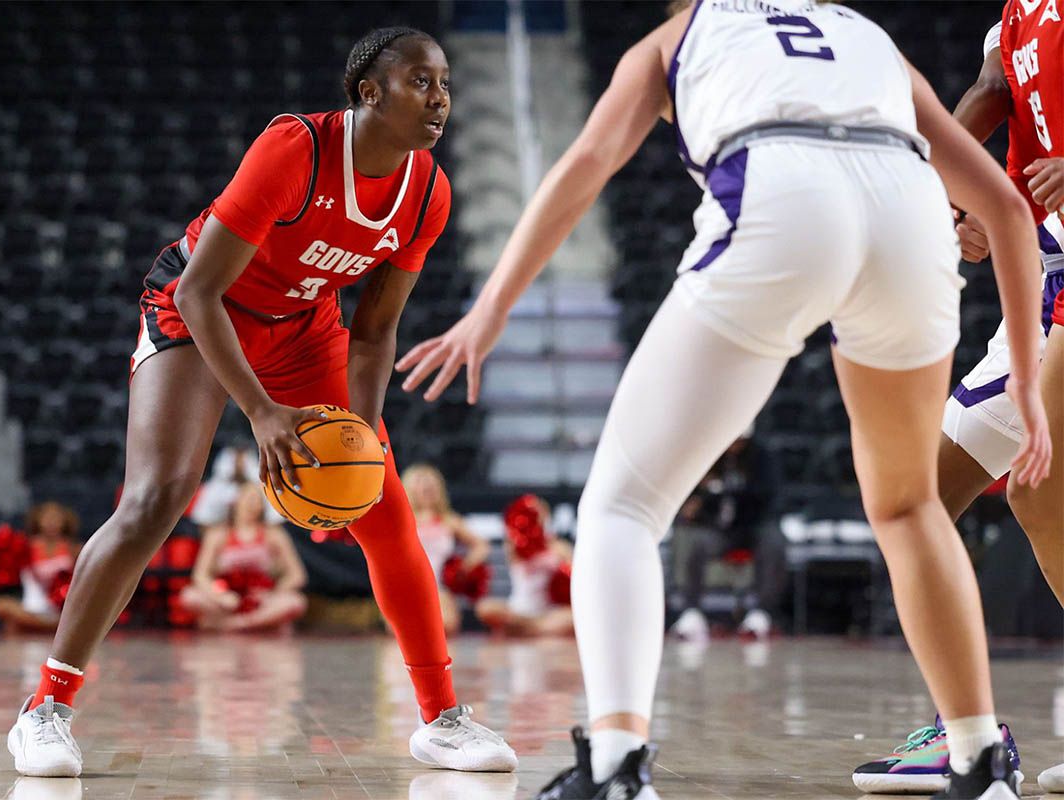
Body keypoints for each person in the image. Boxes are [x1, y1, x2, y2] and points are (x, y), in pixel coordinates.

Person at [397, 1, 1051, 797]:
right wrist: (1025, 374)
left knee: (623, 507)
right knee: (910, 506)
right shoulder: (862, 31)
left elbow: (585, 164)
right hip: (908, 215)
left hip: (783, 195)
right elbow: (1011, 210)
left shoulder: (677, 35)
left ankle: (615, 766)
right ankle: (980, 762)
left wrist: (491, 309)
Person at [6, 27, 515, 779]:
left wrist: (362, 435)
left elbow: (374, 331)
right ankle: (44, 708)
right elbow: (198, 291)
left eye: (445, 85)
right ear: (368, 91)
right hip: (198, 310)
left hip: (306, 326)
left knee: (385, 501)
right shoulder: (296, 150)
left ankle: (442, 719)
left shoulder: (427, 191)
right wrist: (262, 412)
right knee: (159, 495)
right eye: (419, 82)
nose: (439, 99)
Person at [854, 6, 1064, 794]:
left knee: (1041, 490)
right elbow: (986, 93)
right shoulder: (1016, 16)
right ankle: (969, 734)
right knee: (915, 497)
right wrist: (948, 199)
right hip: (1047, 285)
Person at [669, 433, 787, 640]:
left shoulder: (762, 457)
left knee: (774, 541)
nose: (734, 446)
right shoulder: (710, 454)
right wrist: (697, 505)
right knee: (692, 540)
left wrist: (729, 491)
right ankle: (691, 611)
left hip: (753, 528)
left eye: (739, 442)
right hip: (719, 530)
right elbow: (693, 496)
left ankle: (762, 611)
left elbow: (770, 498)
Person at [179, 483, 308, 632]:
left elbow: (297, 575)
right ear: (235, 502)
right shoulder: (218, 534)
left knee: (296, 602)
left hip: (261, 599)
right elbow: (200, 575)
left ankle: (236, 624)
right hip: (227, 599)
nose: (251, 503)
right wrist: (220, 596)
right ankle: (259, 624)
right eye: (247, 498)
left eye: (256, 499)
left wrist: (273, 594)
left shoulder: (274, 534)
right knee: (189, 596)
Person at [402, 463, 490, 635]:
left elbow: (481, 546)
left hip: (439, 589)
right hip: (406, 588)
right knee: (406, 630)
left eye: (432, 484)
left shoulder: (449, 520)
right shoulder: (402, 520)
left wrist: (465, 566)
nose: (428, 487)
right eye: (421, 482)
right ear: (410, 488)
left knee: (444, 626)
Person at [475, 495, 574, 637]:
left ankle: (529, 628)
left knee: (572, 617)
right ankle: (533, 628)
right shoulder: (514, 545)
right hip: (519, 609)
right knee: (485, 608)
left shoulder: (560, 547)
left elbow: (574, 577)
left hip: (549, 611)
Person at [0, 502, 81, 634]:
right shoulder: (24, 547)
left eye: (56, 519)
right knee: (0, 604)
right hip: (31, 607)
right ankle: (49, 626)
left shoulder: (73, 549)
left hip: (61, 608)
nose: (51, 523)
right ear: (38, 521)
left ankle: (39, 626)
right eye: (47, 518)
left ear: (64, 522)